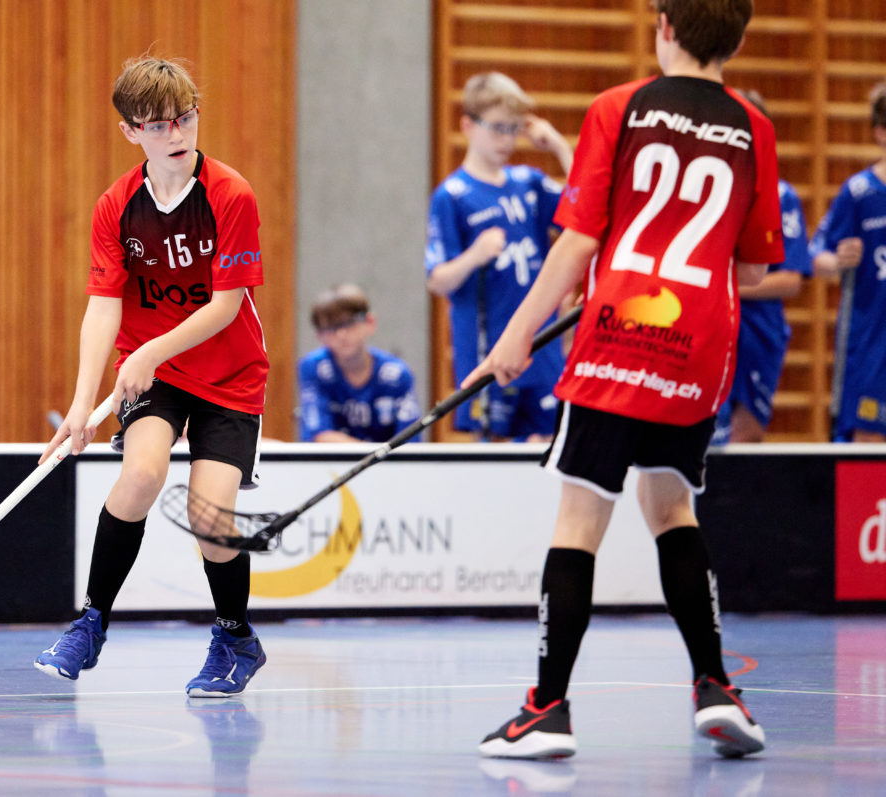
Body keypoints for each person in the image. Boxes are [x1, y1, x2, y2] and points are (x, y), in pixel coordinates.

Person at [465, 0, 783, 759]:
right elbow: (749, 270)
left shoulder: (620, 107)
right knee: (673, 509)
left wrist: (514, 337)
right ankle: (717, 687)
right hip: (699, 344)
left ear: (664, 28)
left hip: (618, 339)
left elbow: (577, 240)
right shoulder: (754, 127)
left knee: (580, 522)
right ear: (734, 42)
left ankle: (546, 708)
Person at [33, 56, 268, 697]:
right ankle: (90, 623)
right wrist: (82, 404)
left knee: (210, 515)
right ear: (130, 131)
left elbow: (224, 308)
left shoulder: (229, 196)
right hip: (152, 369)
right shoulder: (116, 206)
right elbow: (103, 306)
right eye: (159, 123)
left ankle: (235, 639)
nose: (177, 132)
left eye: (186, 116)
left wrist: (151, 352)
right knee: (140, 474)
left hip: (229, 371)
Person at [426, 72, 574, 442]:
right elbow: (437, 278)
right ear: (468, 126)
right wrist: (474, 255)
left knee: (548, 444)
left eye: (513, 129)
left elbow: (584, 208)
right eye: (497, 128)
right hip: (488, 346)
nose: (506, 139)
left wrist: (559, 147)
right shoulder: (453, 195)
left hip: (541, 347)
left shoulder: (530, 182)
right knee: (494, 450)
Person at [712, 90, 812, 443]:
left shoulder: (780, 195)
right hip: (711, 324)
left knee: (745, 433)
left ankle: (731, 500)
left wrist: (721, 286)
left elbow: (790, 280)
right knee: (702, 432)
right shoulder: (710, 187)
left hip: (757, 331)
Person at [808, 80, 886, 443]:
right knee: (868, 451)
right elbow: (814, 255)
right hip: (870, 347)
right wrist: (836, 260)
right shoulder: (859, 193)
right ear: (880, 134)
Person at [298, 283, 420, 443]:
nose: (342, 334)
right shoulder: (314, 368)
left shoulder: (397, 374)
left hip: (388, 467)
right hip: (329, 465)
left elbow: (410, 442)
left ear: (370, 322)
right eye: (331, 328)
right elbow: (320, 435)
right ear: (319, 335)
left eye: (349, 324)